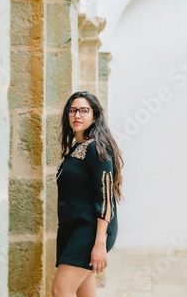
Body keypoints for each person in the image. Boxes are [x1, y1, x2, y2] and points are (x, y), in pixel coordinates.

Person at [51, 91, 124, 297]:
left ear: (94, 115)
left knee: (60, 289)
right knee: (85, 291)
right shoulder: (77, 148)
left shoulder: (97, 148)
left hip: (91, 231)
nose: (77, 115)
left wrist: (99, 243)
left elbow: (106, 198)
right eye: (73, 110)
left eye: (84, 110)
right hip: (73, 228)